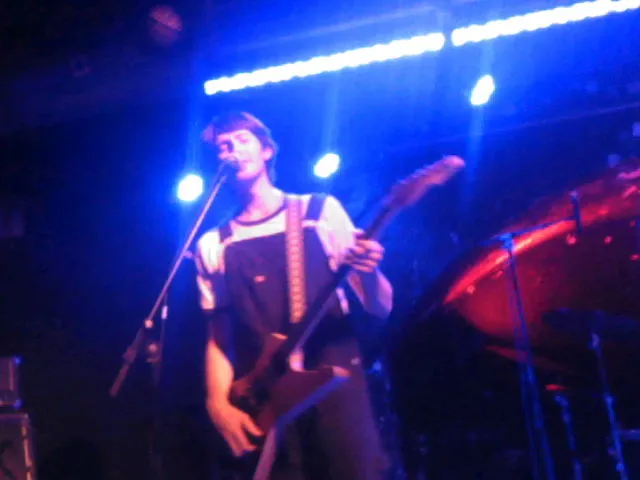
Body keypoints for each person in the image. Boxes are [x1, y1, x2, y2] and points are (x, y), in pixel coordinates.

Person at [194, 111, 394, 479]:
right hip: (271, 398)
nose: (232, 149)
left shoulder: (318, 211)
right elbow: (218, 337)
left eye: (242, 139)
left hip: (336, 385)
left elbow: (381, 306)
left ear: (267, 150)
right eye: (223, 146)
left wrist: (369, 270)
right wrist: (217, 403)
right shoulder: (214, 243)